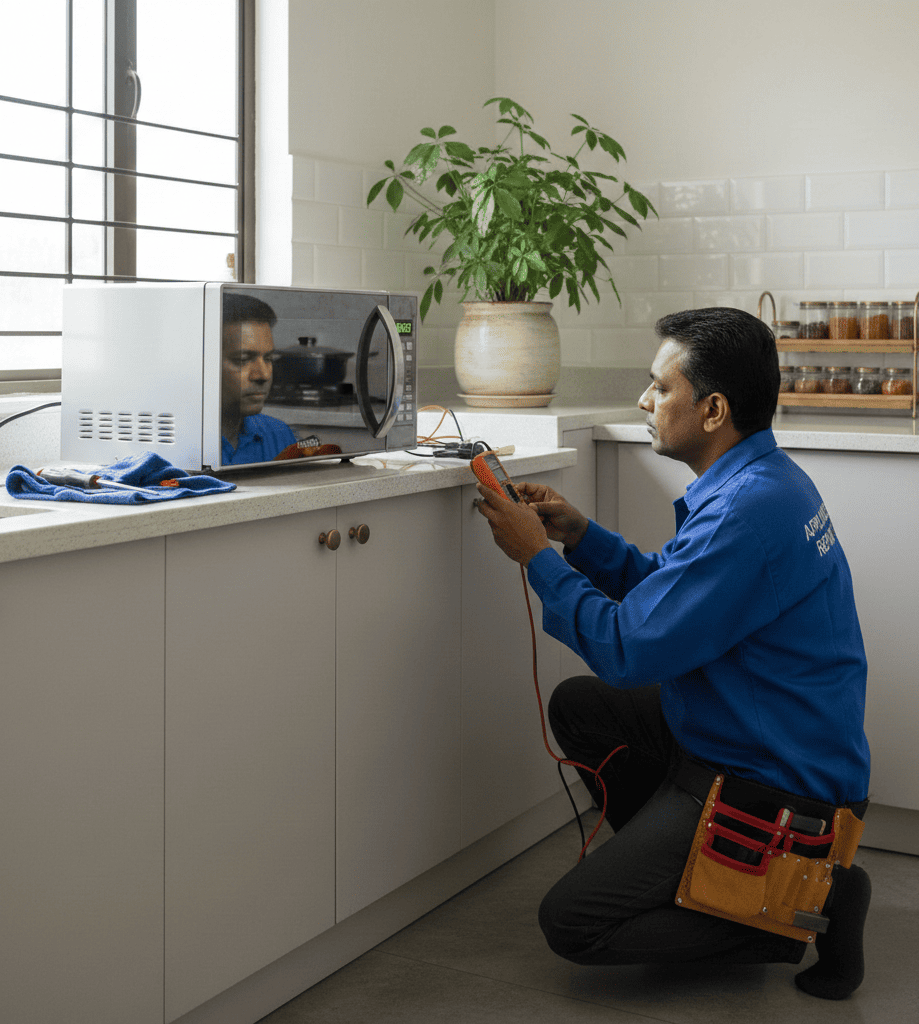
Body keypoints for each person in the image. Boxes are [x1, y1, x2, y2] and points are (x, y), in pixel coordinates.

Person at [474, 306, 872, 1000]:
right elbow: (674, 594)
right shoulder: (763, 482)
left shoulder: (745, 512)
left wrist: (537, 558)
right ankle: (703, 871)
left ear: (713, 410)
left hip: (774, 779)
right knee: (582, 708)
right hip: (748, 736)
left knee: (572, 924)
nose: (643, 401)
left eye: (660, 388)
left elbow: (628, 648)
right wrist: (579, 536)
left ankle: (793, 907)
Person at [221, 293, 296, 465]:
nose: (264, 375)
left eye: (268, 358)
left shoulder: (279, 434)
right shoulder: (180, 445)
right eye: (242, 360)